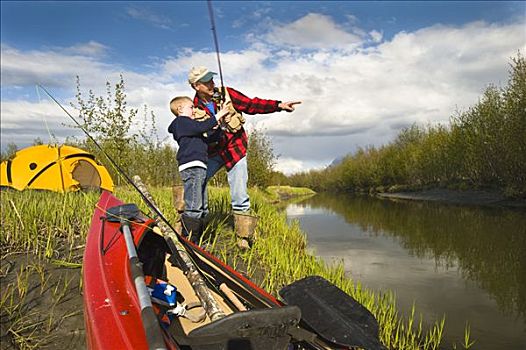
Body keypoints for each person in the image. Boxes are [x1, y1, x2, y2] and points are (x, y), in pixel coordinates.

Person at [188, 66, 301, 249]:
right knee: (197, 183)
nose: (211, 83)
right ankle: (197, 227)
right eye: (206, 81)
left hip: (235, 149)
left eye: (211, 79)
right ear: (196, 86)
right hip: (212, 153)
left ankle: (244, 237)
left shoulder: (228, 93)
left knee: (240, 193)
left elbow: (251, 104)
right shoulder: (191, 107)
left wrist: (278, 105)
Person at [168, 95, 228, 245]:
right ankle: (189, 242)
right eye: (191, 107)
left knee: (202, 206)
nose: (194, 110)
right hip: (192, 167)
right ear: (180, 109)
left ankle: (199, 239)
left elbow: (208, 138)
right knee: (194, 206)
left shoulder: (191, 127)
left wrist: (220, 127)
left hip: (199, 167)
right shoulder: (181, 123)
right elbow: (202, 127)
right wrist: (218, 115)